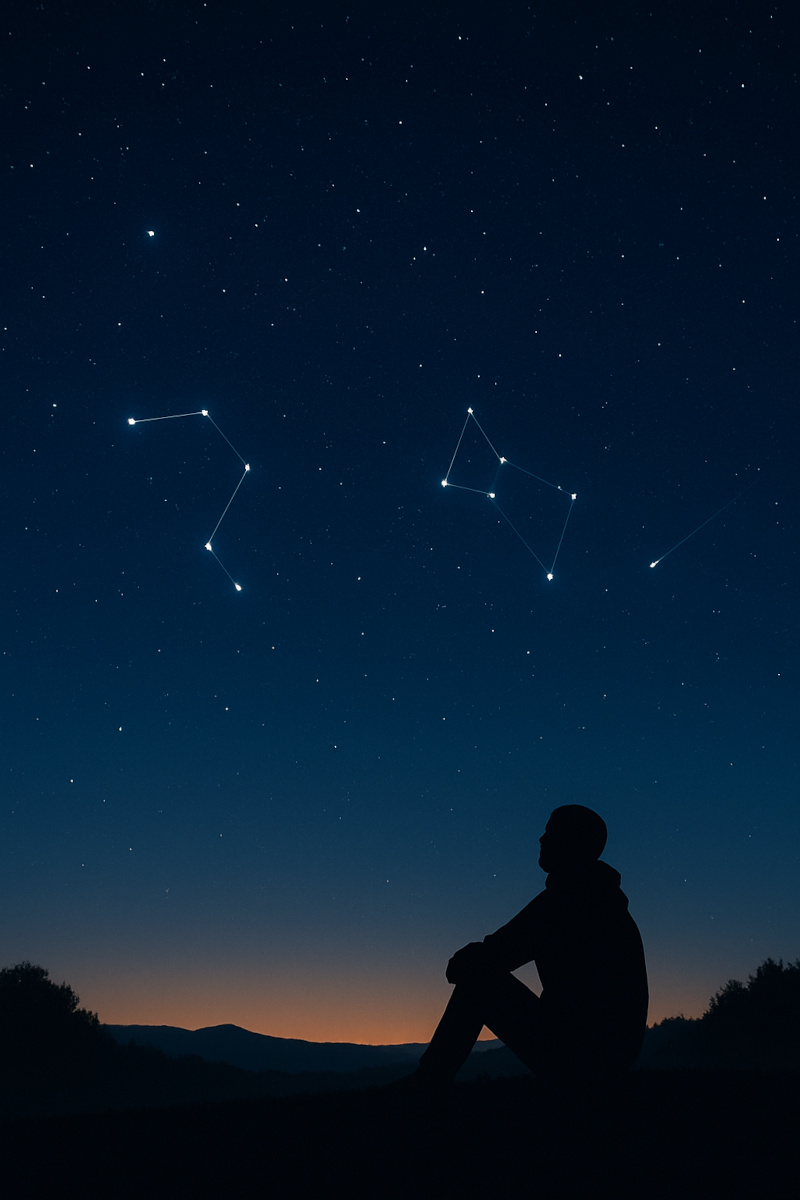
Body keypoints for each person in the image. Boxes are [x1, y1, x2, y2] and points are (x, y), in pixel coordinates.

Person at [412, 804, 648, 1088]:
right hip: (609, 1056)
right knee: (480, 976)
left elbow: (492, 955)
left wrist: (466, 964)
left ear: (571, 843)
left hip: (584, 1057)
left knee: (479, 983)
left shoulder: (568, 901)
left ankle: (426, 1085)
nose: (541, 839)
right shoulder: (598, 898)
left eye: (550, 832)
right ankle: (427, 1082)